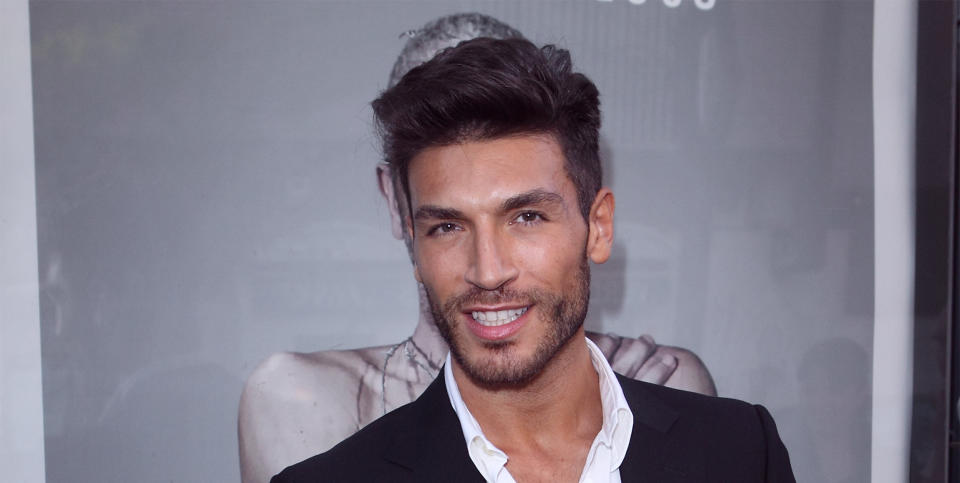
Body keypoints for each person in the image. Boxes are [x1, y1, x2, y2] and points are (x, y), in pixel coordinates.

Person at [271, 37, 794, 482]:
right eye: (447, 227)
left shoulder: (741, 452)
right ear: (414, 245)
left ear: (599, 228)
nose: (489, 271)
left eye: (526, 218)